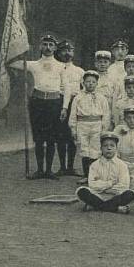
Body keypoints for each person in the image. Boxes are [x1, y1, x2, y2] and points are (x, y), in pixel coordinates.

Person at [10, 34, 65, 179]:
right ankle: (40, 170)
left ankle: (49, 171)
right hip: (38, 103)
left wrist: (64, 107)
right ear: (40, 46)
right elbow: (12, 63)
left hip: (54, 103)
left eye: (51, 45)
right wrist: (19, 51)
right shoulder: (33, 64)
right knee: (39, 138)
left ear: (55, 48)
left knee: (51, 138)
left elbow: (66, 88)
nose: (48, 48)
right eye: (45, 44)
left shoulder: (61, 66)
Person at [75, 132, 134, 213]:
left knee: (130, 193)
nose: (109, 148)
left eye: (112, 145)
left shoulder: (122, 165)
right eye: (105, 146)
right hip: (98, 195)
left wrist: (106, 189)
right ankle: (116, 209)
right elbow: (92, 184)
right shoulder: (94, 165)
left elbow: (124, 185)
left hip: (115, 196)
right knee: (81, 191)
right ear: (101, 148)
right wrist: (110, 184)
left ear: (116, 148)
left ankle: (95, 206)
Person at [68, 70, 111, 183]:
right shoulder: (78, 98)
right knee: (84, 149)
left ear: (97, 83)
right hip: (82, 125)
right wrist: (73, 128)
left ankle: (95, 176)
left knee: (95, 150)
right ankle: (87, 175)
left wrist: (104, 128)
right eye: (88, 81)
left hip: (97, 125)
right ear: (83, 83)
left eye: (93, 82)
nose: (90, 84)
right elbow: (73, 114)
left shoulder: (102, 98)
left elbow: (106, 114)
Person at [56, 40, 84, 176]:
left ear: (73, 53)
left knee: (72, 135)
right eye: (64, 50)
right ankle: (62, 167)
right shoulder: (57, 68)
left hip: (75, 102)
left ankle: (70, 167)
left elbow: (84, 89)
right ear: (59, 53)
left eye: (70, 50)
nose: (67, 53)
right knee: (61, 135)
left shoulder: (79, 71)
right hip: (60, 102)